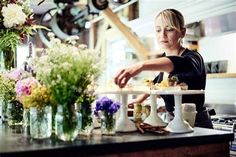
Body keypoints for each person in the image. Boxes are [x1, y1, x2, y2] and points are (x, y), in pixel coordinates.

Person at [114, 8, 213, 129]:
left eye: (169, 29)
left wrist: (141, 66)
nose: (162, 35)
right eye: (158, 30)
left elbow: (180, 64)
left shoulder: (193, 58)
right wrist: (139, 100)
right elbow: (157, 83)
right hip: (172, 122)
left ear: (182, 32)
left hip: (196, 125)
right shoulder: (164, 61)